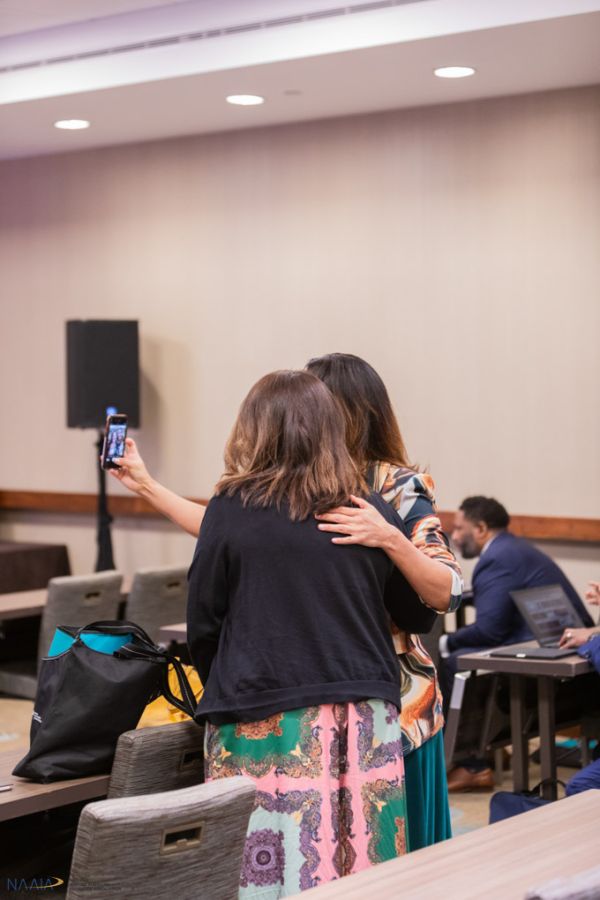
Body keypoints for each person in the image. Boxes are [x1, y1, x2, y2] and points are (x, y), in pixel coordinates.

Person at [111, 352, 462, 851]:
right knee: (346, 845)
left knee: (309, 844)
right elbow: (238, 533)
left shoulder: (388, 489)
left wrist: (389, 539)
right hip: (343, 690)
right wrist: (147, 486)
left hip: (386, 693)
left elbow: (435, 597)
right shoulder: (267, 497)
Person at [188, 369, 420, 895]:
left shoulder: (231, 508)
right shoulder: (366, 509)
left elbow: (204, 619)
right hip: (366, 712)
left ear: (253, 429)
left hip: (265, 710)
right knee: (368, 867)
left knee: (269, 870)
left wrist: (226, 679)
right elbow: (415, 614)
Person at [440, 495, 593, 791]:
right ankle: (489, 752)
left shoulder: (497, 558)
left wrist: (445, 641)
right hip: (569, 653)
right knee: (468, 656)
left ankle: (473, 763)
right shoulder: (514, 548)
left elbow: (489, 631)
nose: (454, 537)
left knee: (453, 662)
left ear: (480, 529)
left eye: (459, 529)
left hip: (553, 660)